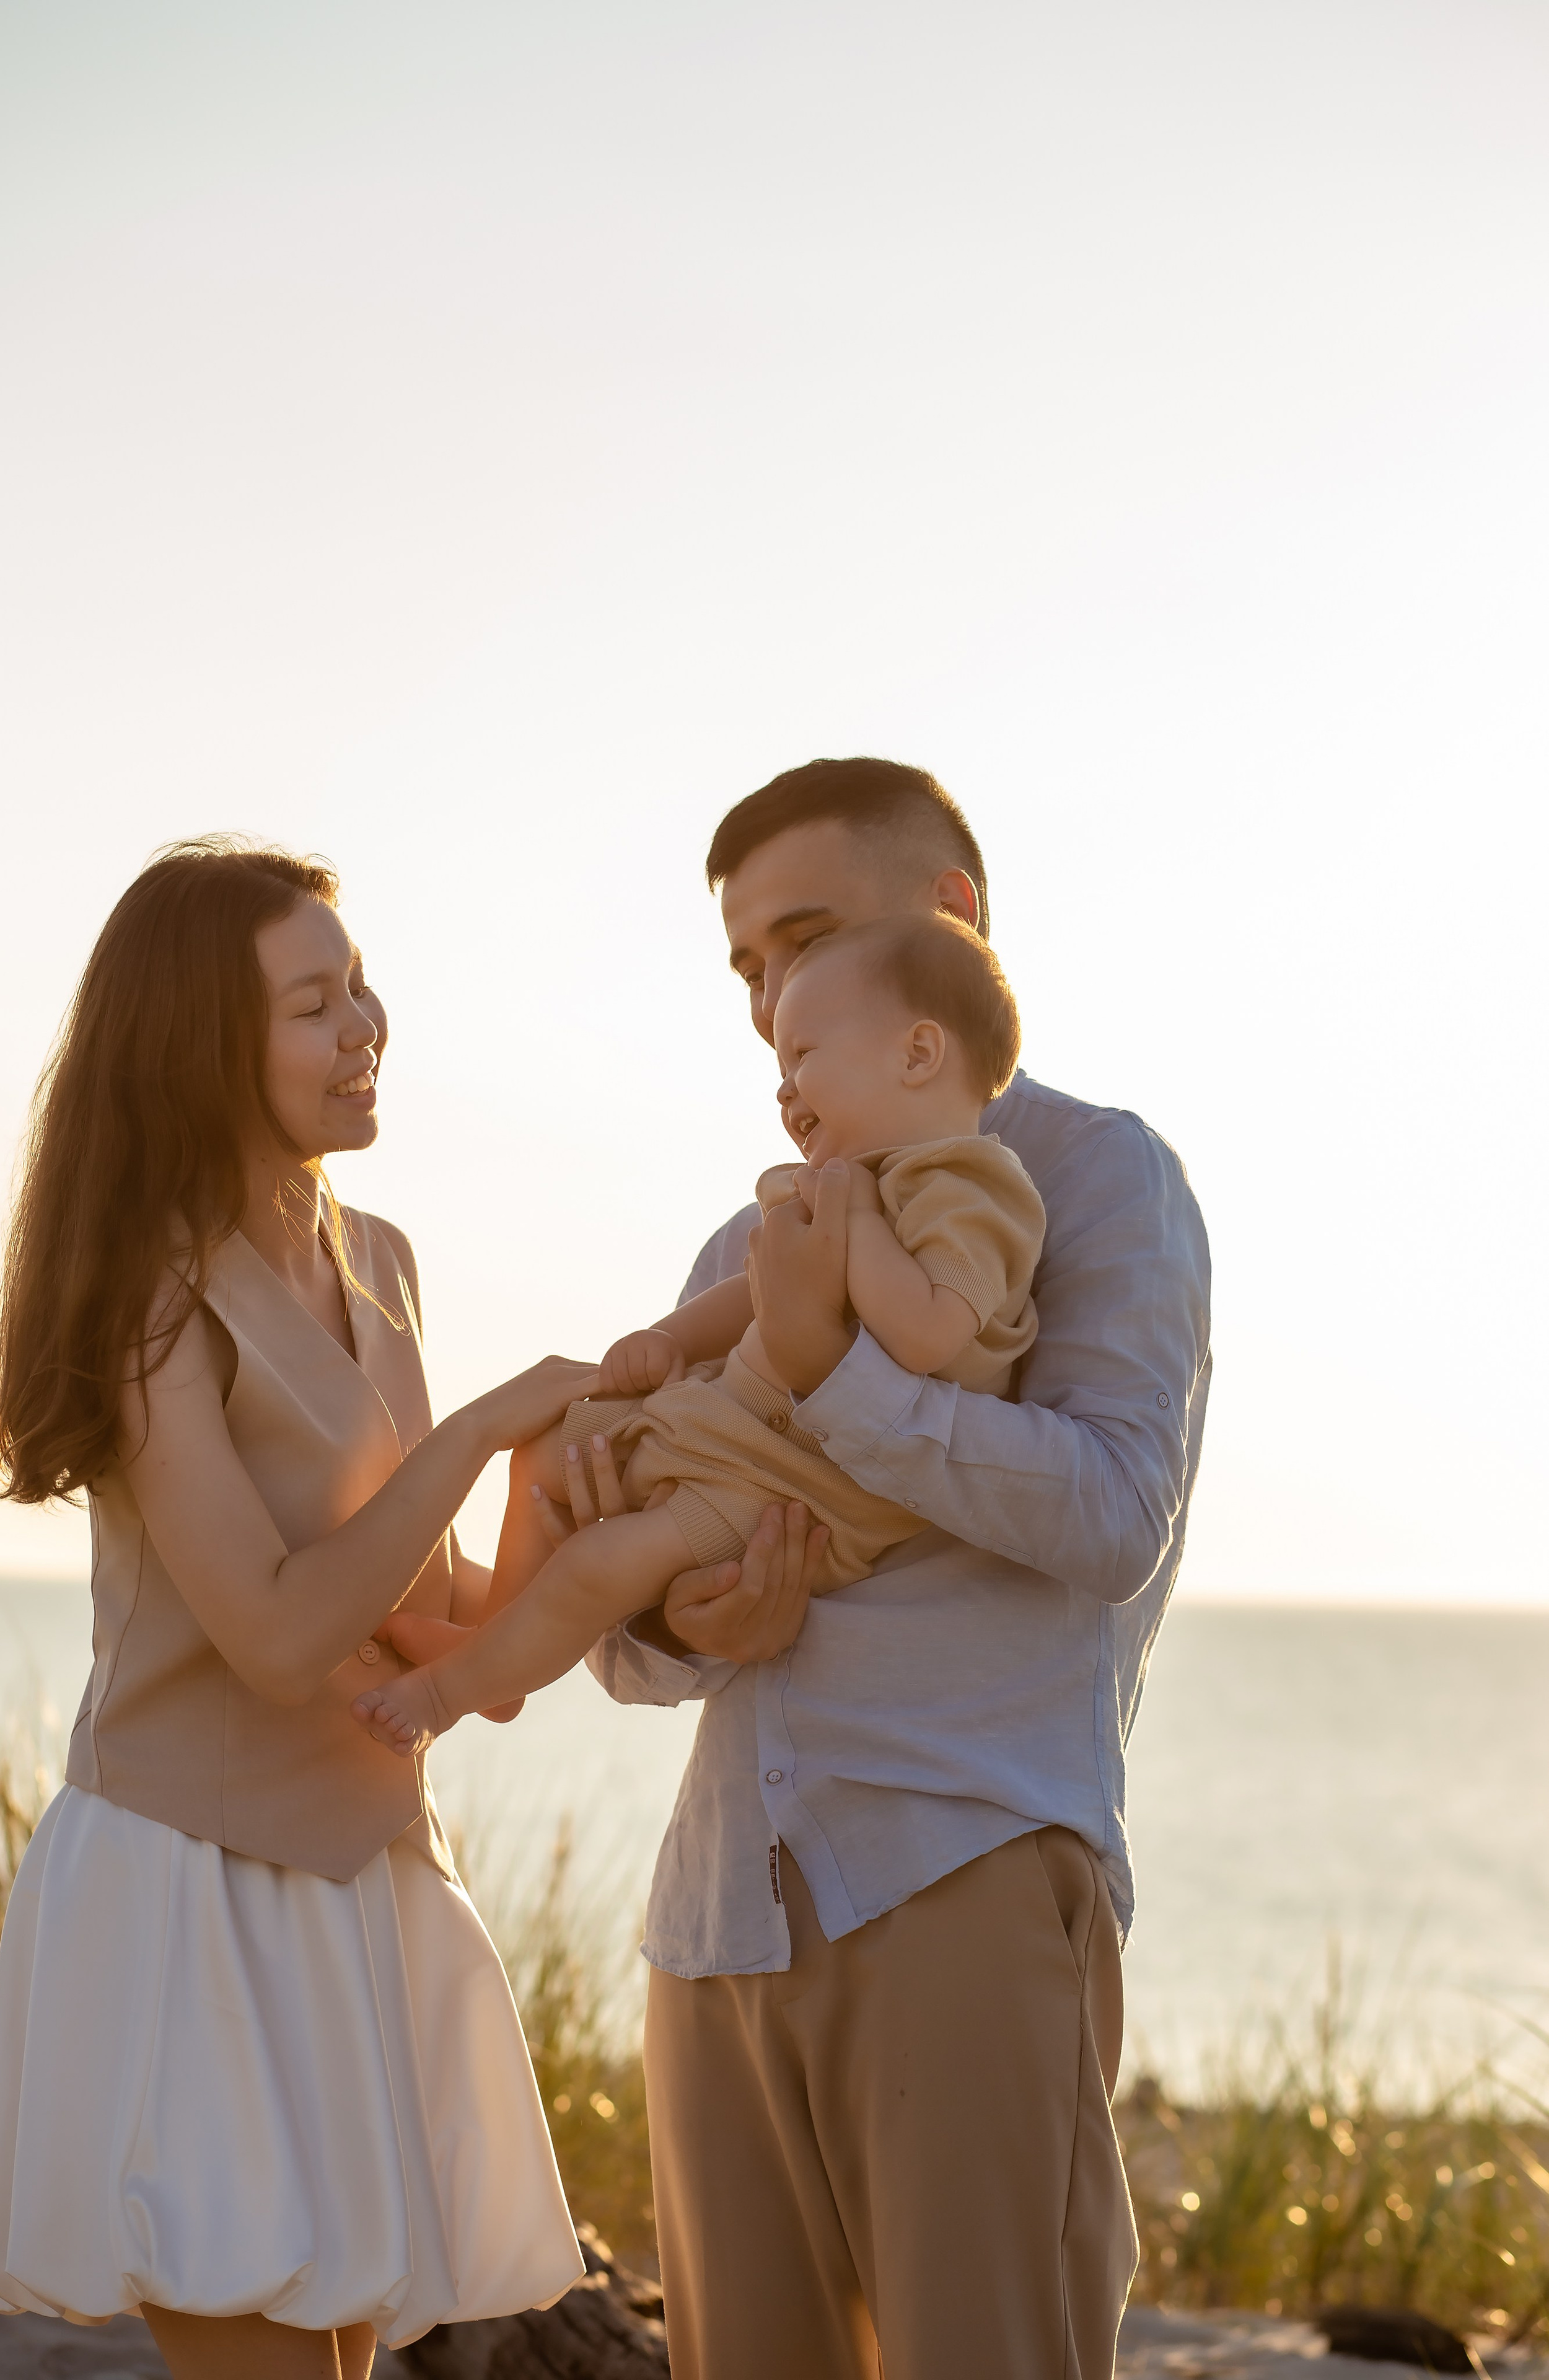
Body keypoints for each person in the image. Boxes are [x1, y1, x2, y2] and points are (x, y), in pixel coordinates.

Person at [585, 757, 1212, 2380]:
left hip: (959, 1870)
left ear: (953, 917)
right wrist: (682, 1611)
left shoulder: (1097, 1176)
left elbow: (1113, 1513)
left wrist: (835, 1379)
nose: (768, 1000)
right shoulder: (754, 1238)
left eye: (801, 939)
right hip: (721, 1915)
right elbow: (635, 1652)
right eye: (744, 966)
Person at [0, 840, 595, 2379]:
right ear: (202, 1046)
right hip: (188, 1900)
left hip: (362, 1891)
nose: (364, 1026)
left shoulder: (377, 1261)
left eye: (359, 987)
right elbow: (276, 1633)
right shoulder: (147, 1291)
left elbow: (445, 1627)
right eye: (314, 1006)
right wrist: (479, 1431)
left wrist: (579, 1507)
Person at [352, 912, 1045, 1757]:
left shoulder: (968, 1186)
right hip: (726, 1422)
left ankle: (444, 1693)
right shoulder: (849, 1183)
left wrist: (857, 1220)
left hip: (794, 1486)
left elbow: (931, 1335)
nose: (783, 1089)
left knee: (603, 1563)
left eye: (805, 1055)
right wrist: (670, 1339)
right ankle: (494, 1644)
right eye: (780, 1067)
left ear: (918, 1054)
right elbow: (755, 1293)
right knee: (545, 1451)